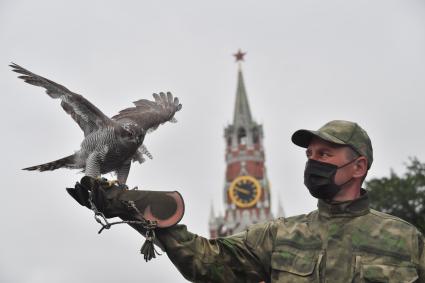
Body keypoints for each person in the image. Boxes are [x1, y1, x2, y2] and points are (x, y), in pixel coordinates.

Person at [68, 120, 425, 282]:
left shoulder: (406, 241)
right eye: (310, 154)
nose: (314, 161)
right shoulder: (280, 235)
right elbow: (208, 264)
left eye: (326, 154)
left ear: (358, 166)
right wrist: (139, 209)